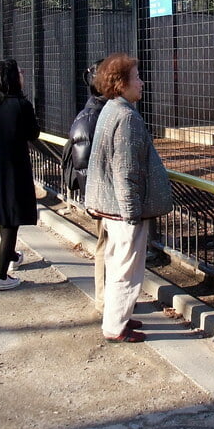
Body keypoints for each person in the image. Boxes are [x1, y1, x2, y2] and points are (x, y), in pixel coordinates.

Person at [84, 53, 173, 343]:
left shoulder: (111, 109)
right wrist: (132, 212)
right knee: (126, 269)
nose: (142, 82)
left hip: (110, 207)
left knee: (116, 263)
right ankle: (115, 328)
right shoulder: (126, 117)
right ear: (121, 84)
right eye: (136, 77)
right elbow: (125, 170)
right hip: (123, 211)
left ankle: (117, 317)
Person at [0, 59, 40, 291]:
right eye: (20, 73)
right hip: (15, 170)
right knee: (12, 221)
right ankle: (2, 276)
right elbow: (33, 133)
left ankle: (12, 256)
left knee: (5, 218)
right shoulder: (22, 105)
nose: (23, 76)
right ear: (13, 78)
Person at [62, 60, 110, 309]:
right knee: (106, 245)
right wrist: (97, 200)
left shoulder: (104, 111)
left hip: (108, 195)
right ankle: (105, 301)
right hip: (104, 198)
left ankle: (111, 300)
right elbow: (84, 165)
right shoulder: (93, 116)